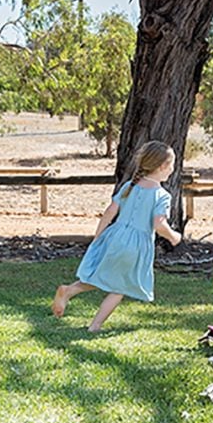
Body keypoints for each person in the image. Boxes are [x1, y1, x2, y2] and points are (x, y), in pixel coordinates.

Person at [51, 141, 182, 332]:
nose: (172, 169)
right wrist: (173, 236)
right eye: (171, 165)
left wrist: (98, 236)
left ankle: (69, 290)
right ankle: (95, 325)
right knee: (119, 288)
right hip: (135, 245)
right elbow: (158, 224)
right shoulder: (162, 196)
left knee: (104, 275)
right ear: (162, 166)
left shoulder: (130, 186)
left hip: (114, 236)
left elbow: (109, 212)